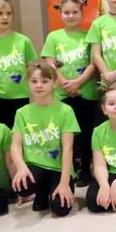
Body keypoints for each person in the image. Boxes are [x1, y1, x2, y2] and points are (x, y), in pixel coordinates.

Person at [42, 0, 99, 186]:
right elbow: (50, 63)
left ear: (82, 13)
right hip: (63, 93)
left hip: (86, 93)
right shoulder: (54, 37)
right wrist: (66, 83)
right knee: (66, 134)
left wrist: (78, 82)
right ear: (60, 14)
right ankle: (68, 170)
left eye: (75, 12)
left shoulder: (89, 36)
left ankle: (86, 170)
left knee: (86, 133)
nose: (71, 15)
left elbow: (93, 63)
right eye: (66, 12)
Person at [10, 60, 80, 217]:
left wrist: (64, 183)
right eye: (34, 81)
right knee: (23, 186)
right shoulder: (22, 113)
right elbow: (15, 146)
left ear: (54, 83)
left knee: (60, 209)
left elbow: (68, 149)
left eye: (44, 81)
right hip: (36, 166)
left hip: (59, 168)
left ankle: (52, 188)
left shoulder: (65, 111)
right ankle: (41, 192)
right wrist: (21, 168)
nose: (39, 85)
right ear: (28, 83)